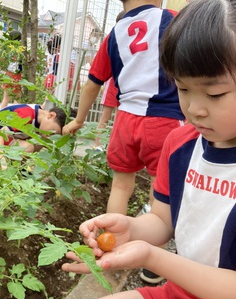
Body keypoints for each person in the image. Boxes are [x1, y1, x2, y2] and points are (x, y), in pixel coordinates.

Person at [61, 0, 236, 299]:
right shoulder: (181, 144)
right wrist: (130, 230)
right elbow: (162, 220)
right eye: (182, 89)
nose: (194, 109)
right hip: (180, 292)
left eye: (214, 93)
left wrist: (152, 257)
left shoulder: (119, 32)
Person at [63, 2, 184, 216]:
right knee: (161, 189)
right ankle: (150, 247)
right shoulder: (173, 19)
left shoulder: (115, 33)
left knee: (119, 187)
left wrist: (79, 119)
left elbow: (92, 84)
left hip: (125, 120)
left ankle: (111, 241)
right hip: (165, 120)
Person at [0, 104, 67, 169]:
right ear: (51, 115)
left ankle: (17, 169)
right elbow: (0, 135)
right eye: (52, 132)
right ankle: (8, 169)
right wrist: (2, 163)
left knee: (41, 141)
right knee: (28, 147)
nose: (50, 136)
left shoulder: (39, 120)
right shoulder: (27, 114)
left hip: (5, 141)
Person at [94, 11, 125, 150]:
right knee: (105, 117)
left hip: (127, 85)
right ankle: (99, 148)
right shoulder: (113, 38)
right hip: (113, 83)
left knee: (122, 120)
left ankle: (117, 149)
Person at [0, 30, 24, 109]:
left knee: (6, 98)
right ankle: (15, 116)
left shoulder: (6, 49)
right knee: (17, 97)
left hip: (8, 74)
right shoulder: (20, 49)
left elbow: (2, 62)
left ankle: (0, 115)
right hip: (16, 76)